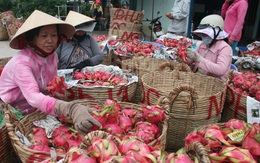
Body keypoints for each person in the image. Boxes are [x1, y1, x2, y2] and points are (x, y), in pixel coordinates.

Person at [0, 10, 100, 134]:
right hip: (14, 111)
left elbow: (50, 86)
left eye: (53, 35)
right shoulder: (22, 62)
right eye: (44, 36)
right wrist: (70, 108)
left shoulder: (52, 57)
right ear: (32, 38)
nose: (50, 40)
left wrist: (58, 93)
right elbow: (33, 97)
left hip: (36, 109)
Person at [186, 14, 233, 82]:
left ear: (216, 33)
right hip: (199, 79)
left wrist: (200, 59)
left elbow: (220, 70)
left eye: (205, 34)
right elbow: (191, 60)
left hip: (215, 83)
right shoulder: (202, 44)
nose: (203, 37)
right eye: (202, 34)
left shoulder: (225, 48)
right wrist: (184, 56)